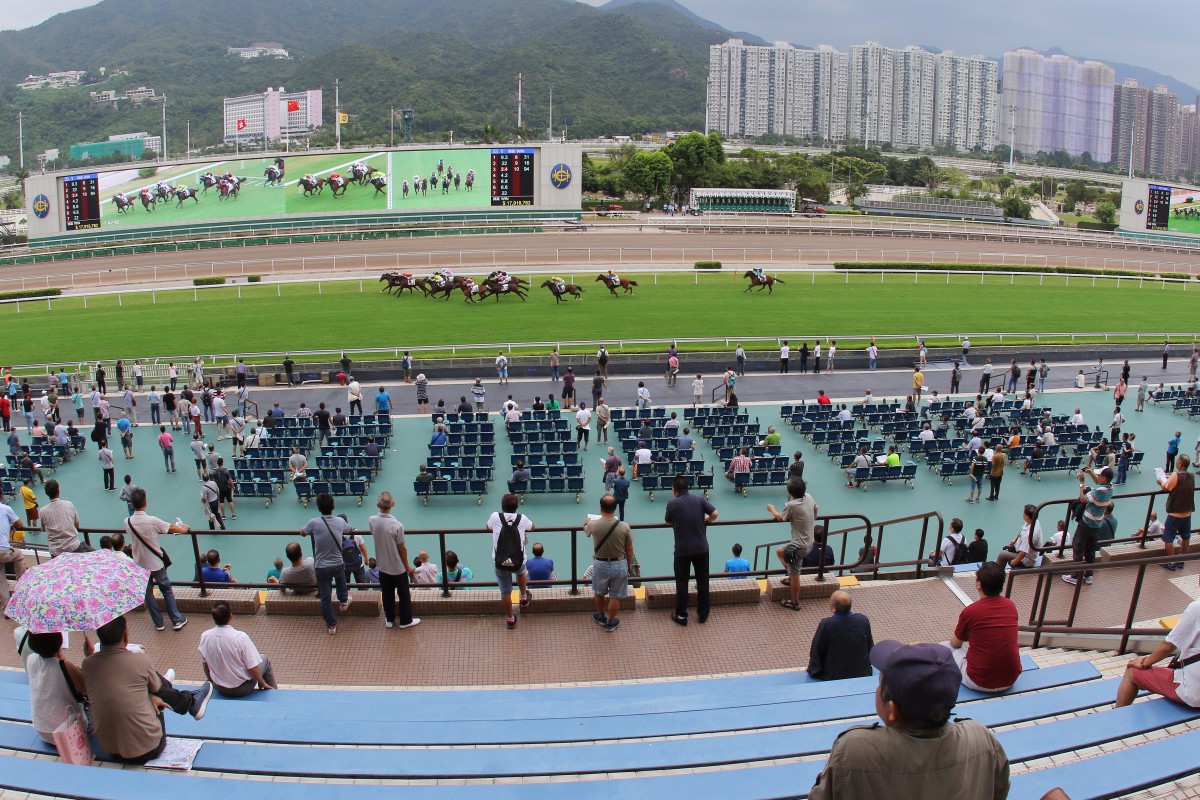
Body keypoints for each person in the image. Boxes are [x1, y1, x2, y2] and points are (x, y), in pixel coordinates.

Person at [808, 638, 1008, 800]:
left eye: (880, 683)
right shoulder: (982, 738)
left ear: (892, 710)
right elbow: (999, 790)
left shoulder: (853, 750)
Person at [83, 615, 214, 764]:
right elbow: (160, 688)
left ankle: (190, 702)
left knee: (139, 684)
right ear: (126, 635)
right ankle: (191, 702)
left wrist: (89, 655)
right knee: (156, 687)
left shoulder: (87, 665)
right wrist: (151, 695)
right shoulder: (139, 659)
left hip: (111, 749)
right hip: (150, 749)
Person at [949, 561, 1021, 693]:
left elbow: (955, 643)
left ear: (978, 584)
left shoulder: (970, 611)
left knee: (945, 647)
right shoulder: (1011, 605)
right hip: (1010, 679)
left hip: (979, 681)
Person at [1116, 597, 1200, 709]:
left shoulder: (1196, 608)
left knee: (1132, 671)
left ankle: (1117, 715)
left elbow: (1168, 646)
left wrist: (1144, 662)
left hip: (1193, 692)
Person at [126, 488, 189, 632]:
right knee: (166, 589)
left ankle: (159, 623)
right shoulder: (152, 521)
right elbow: (172, 528)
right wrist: (184, 528)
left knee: (148, 593)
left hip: (140, 563)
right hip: (155, 562)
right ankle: (176, 619)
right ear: (145, 502)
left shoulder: (127, 522)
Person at [665, 474, 718, 626]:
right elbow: (714, 513)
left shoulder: (672, 504)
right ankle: (703, 614)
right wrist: (707, 520)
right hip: (702, 548)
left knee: (682, 582)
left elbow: (668, 521)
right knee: (703, 580)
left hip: (682, 550)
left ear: (674, 490)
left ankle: (681, 615)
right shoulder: (699, 499)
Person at [23, 630, 93, 745]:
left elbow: (53, 671)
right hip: (69, 733)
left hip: (43, 731)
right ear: (59, 641)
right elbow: (88, 689)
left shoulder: (30, 659)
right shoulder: (65, 666)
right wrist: (89, 656)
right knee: (93, 712)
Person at [198, 601, 277, 697]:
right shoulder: (240, 637)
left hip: (219, 687)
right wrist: (262, 682)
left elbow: (205, 664)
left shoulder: (205, 636)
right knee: (264, 659)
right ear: (231, 616)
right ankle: (274, 694)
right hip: (242, 689)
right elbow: (252, 668)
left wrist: (211, 681)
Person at [300, 493, 353, 635]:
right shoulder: (340, 522)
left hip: (321, 567)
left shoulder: (313, 522)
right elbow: (350, 529)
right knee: (341, 578)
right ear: (333, 506)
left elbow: (303, 532)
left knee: (325, 597)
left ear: (318, 508)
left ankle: (331, 625)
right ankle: (343, 601)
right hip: (337, 564)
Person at [368, 492, 420, 629]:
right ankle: (405, 621)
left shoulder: (372, 520)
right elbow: (402, 549)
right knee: (403, 595)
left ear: (378, 505)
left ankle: (389, 619)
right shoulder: (397, 525)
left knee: (387, 593)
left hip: (382, 566)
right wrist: (407, 566)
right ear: (393, 504)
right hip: (398, 567)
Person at [585, 494, 635, 633]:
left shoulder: (592, 524)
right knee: (615, 596)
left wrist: (585, 523)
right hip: (619, 564)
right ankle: (610, 622)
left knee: (599, 593)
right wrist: (628, 565)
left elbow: (586, 530)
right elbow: (629, 549)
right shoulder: (624, 526)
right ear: (615, 508)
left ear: (601, 508)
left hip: (600, 563)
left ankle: (601, 616)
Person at [769, 479, 819, 610]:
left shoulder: (791, 506)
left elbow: (780, 517)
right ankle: (791, 576)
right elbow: (815, 511)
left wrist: (772, 509)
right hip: (809, 542)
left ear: (790, 492)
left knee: (795, 573)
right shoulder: (808, 496)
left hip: (798, 547)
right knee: (780, 551)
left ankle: (795, 602)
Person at [488, 494, 534, 629]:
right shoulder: (523, 519)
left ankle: (510, 619)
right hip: (518, 559)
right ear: (517, 507)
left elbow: (488, 527)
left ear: (502, 507)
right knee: (521, 573)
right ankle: (524, 596)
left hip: (500, 561)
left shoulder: (495, 516)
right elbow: (533, 527)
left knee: (505, 592)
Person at [1064, 467, 1114, 586]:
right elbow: (1098, 482)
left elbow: (1083, 499)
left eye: (1100, 475)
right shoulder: (1110, 487)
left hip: (1087, 523)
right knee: (1091, 550)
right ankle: (1089, 575)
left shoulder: (1099, 491)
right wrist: (1091, 472)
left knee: (1078, 546)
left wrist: (1082, 483)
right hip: (1097, 524)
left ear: (1104, 478)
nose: (1099, 477)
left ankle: (1075, 576)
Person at [808, 590, 874, 681]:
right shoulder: (863, 620)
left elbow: (817, 649)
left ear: (833, 607)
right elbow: (869, 646)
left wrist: (814, 669)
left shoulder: (827, 624)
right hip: (862, 672)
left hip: (835, 675)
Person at [1157, 454, 1194, 571]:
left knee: (1168, 538)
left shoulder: (1175, 475)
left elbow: (1166, 487)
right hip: (1187, 512)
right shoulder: (1192, 476)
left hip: (1175, 513)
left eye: (1177, 460)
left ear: (1180, 464)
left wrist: (1160, 481)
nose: (1176, 462)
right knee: (1186, 537)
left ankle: (1171, 561)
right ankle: (1182, 560)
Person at [40, 480, 91, 556]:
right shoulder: (69, 504)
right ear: (58, 490)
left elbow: (43, 529)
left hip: (56, 552)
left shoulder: (42, 511)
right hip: (73, 547)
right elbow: (77, 525)